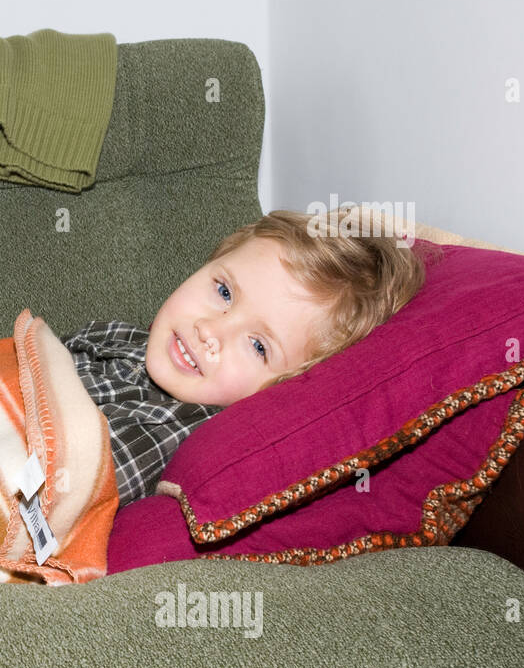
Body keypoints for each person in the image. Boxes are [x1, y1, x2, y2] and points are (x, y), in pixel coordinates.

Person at [63, 208, 429, 507]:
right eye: (224, 291)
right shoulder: (122, 335)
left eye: (258, 346)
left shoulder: (170, 432)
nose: (210, 329)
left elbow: (53, 488)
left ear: (285, 389)